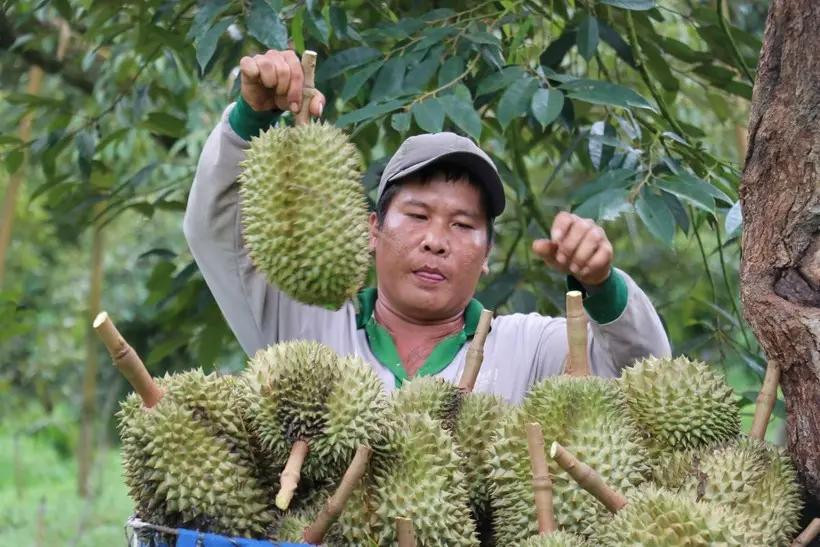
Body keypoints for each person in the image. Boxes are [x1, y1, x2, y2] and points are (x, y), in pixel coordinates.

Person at [183, 49, 671, 404]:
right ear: (372, 231)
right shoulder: (304, 325)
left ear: (486, 258)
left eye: (463, 226)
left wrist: (601, 287)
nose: (436, 241)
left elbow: (644, 378)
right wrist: (251, 118)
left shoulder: (527, 348)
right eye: (417, 216)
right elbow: (216, 232)